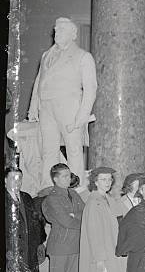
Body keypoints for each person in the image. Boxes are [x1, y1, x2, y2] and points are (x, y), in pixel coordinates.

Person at [27, 17, 97, 186]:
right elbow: (39, 81)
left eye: (62, 29)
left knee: (73, 150)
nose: (57, 32)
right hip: (46, 108)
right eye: (56, 29)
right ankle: (47, 187)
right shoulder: (46, 55)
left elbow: (91, 88)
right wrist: (33, 106)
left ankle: (75, 188)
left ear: (73, 34)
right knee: (48, 149)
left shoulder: (83, 56)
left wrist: (82, 117)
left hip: (69, 109)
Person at [42, 163, 87, 272]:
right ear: (55, 178)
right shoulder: (52, 198)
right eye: (65, 176)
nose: (69, 178)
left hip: (75, 244)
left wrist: (76, 215)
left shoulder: (73, 194)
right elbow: (65, 221)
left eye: (69, 175)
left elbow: (86, 211)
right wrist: (76, 217)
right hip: (60, 245)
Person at [5, 167, 43, 272]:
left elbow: (37, 221)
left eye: (19, 178)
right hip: (11, 249)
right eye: (13, 178)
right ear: (5, 180)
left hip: (27, 247)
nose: (17, 181)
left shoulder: (26, 197)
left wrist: (40, 242)